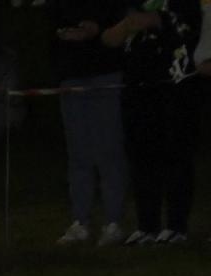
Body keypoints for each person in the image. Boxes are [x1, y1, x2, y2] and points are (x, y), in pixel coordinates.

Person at [103, 0, 201, 243]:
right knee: (141, 154)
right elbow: (110, 37)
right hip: (138, 85)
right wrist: (126, 25)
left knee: (175, 152)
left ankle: (177, 225)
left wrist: (158, 20)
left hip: (174, 84)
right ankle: (147, 224)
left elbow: (191, 27)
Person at [50, 0, 128, 246]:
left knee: (109, 149)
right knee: (78, 152)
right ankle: (80, 220)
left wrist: (97, 29)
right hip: (72, 74)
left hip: (105, 71)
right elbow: (53, 20)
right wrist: (64, 32)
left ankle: (113, 220)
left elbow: (121, 18)